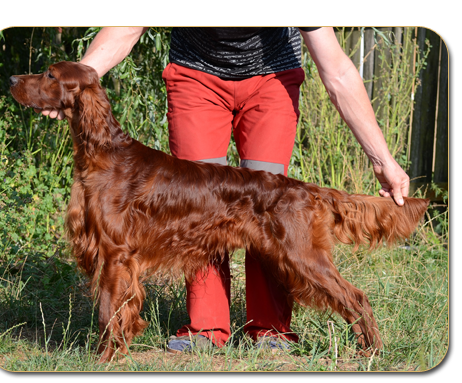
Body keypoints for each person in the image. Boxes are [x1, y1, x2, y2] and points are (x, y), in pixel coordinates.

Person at [40, 27, 410, 353]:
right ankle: (206, 329)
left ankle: (272, 331)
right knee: (194, 211)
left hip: (272, 76)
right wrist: (79, 79)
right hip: (196, 75)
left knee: (273, 215)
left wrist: (382, 159)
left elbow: (339, 71)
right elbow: (128, 24)